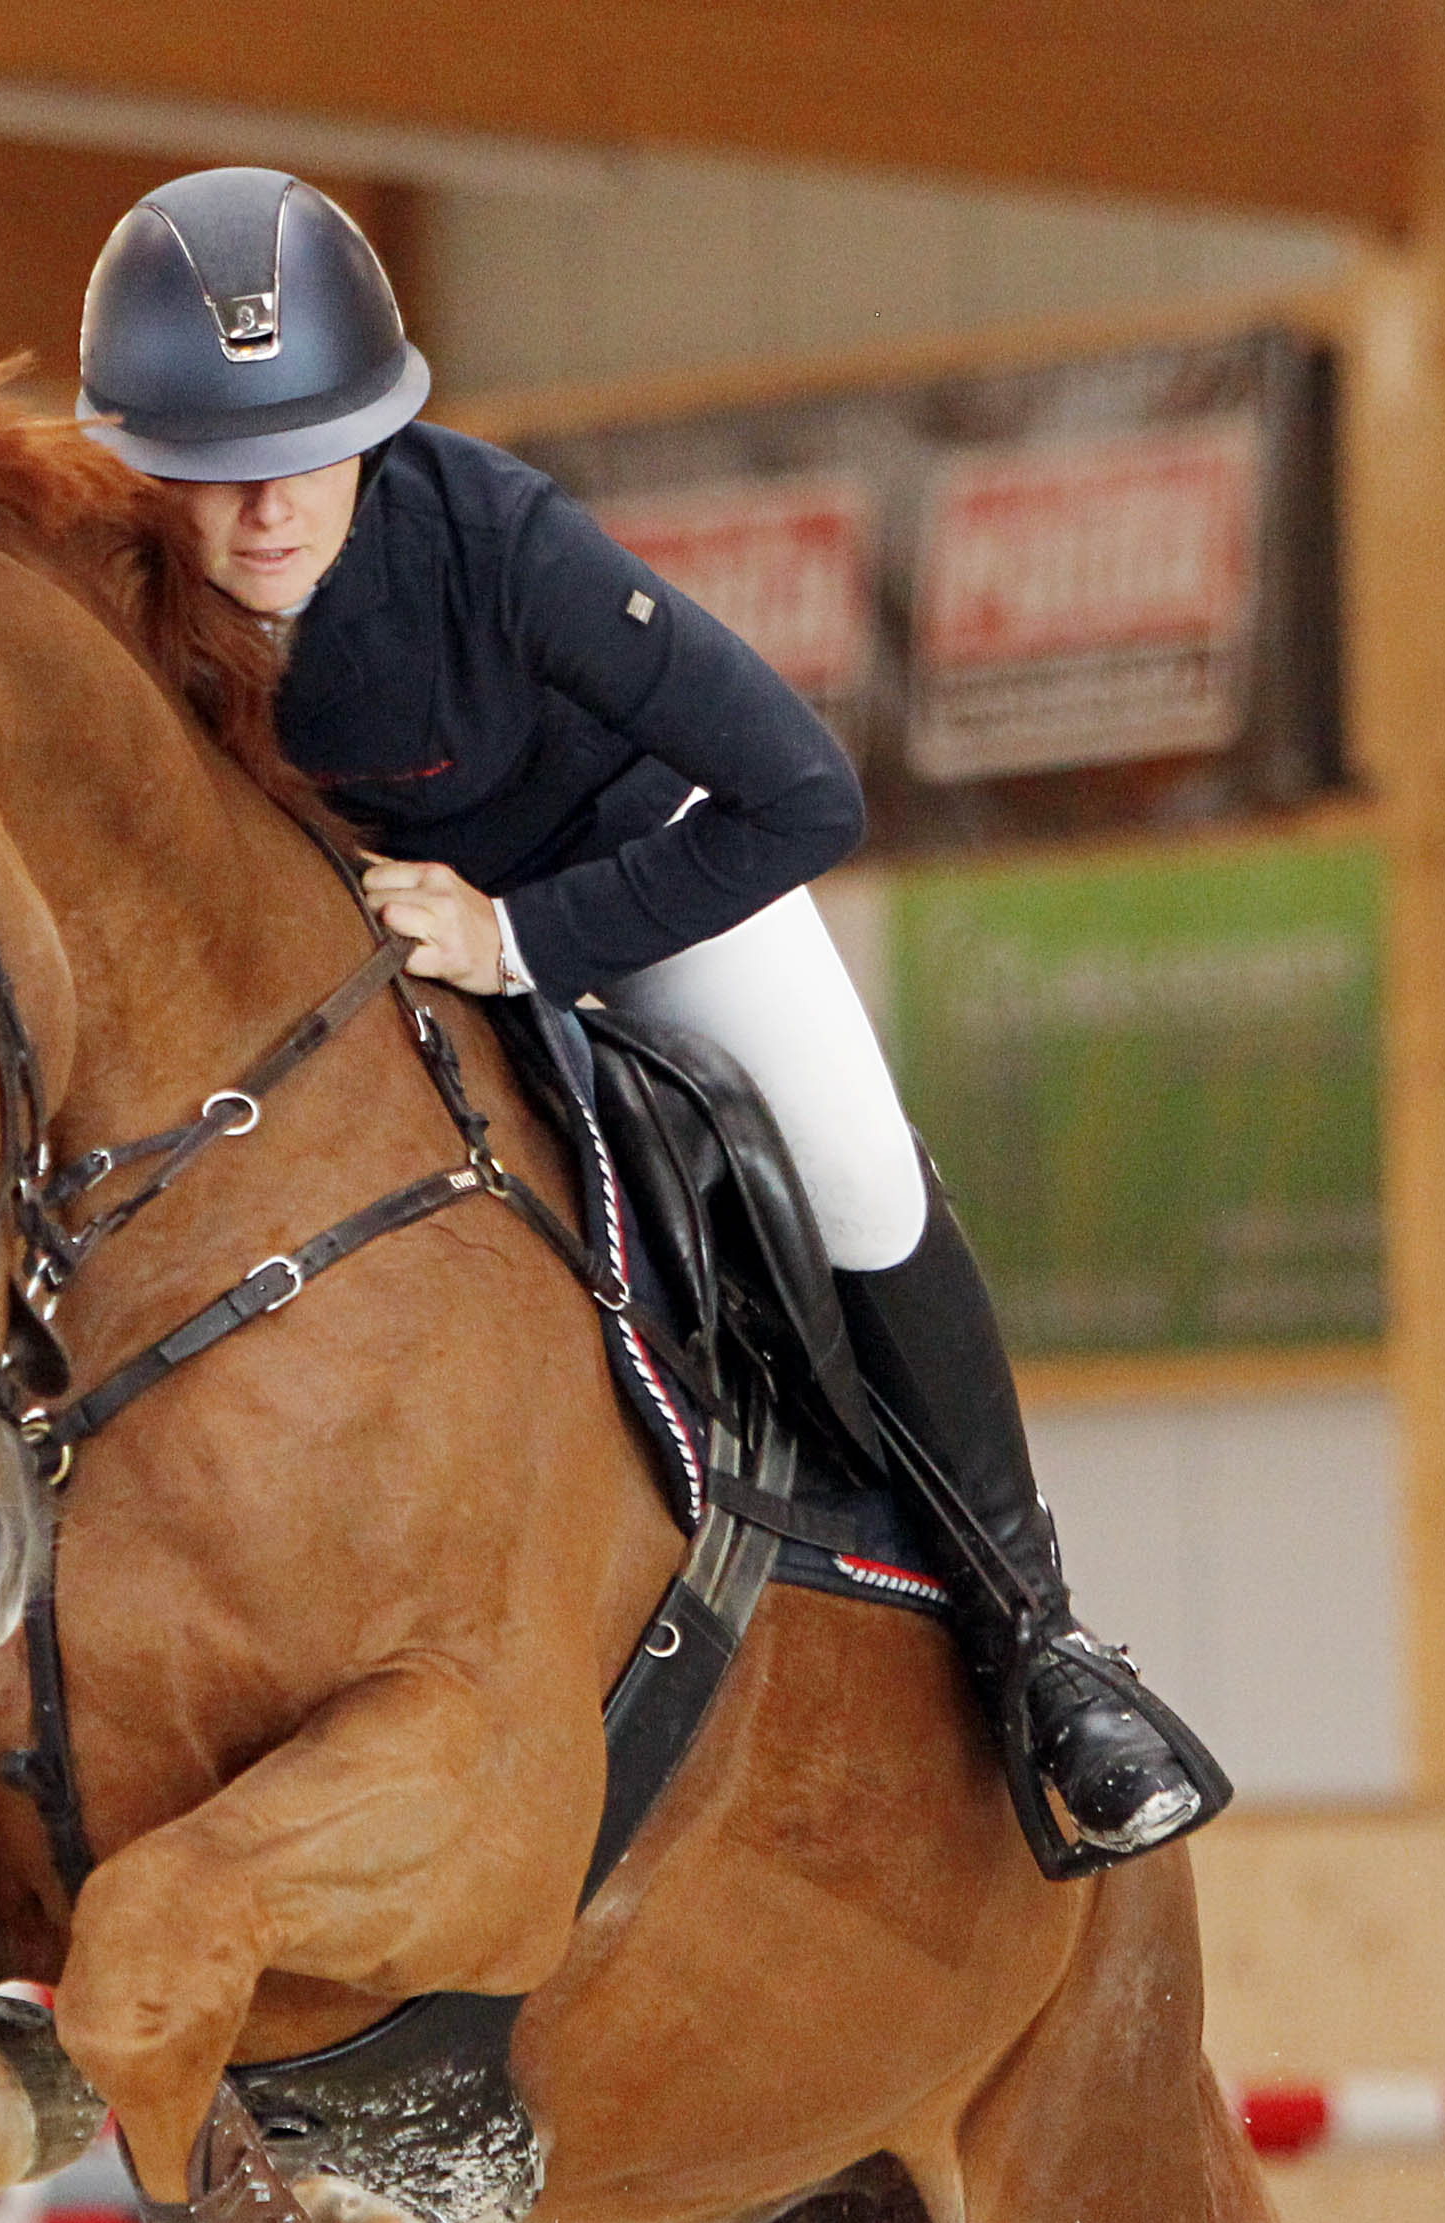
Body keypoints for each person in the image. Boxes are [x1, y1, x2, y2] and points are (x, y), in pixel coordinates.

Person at [75, 167, 1227, 1872]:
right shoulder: (106, 591)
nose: (263, 516)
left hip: (627, 881)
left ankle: (1041, 1643)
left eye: (306, 452)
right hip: (358, 967)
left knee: (853, 1174)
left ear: (376, 431)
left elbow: (801, 792)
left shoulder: (497, 543)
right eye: (214, 471)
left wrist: (521, 934)